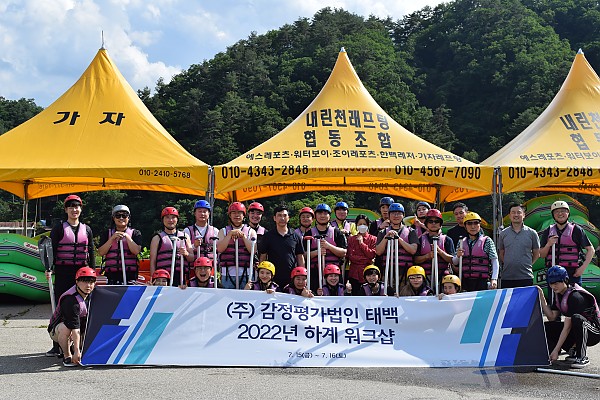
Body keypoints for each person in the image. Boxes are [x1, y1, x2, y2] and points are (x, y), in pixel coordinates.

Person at [46, 194, 95, 358]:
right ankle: (57, 345)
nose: (75, 210)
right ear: (66, 210)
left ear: (81, 209)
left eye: (77, 207)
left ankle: (80, 344)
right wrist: (48, 268)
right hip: (63, 273)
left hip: (81, 274)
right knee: (60, 308)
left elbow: (91, 252)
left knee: (82, 308)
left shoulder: (87, 229)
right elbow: (51, 250)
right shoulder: (59, 228)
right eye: (71, 207)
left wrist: (92, 273)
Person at [538, 265, 600, 369]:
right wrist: (541, 297)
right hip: (578, 329)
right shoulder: (559, 295)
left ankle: (582, 357)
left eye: (556, 283)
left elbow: (567, 327)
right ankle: (572, 351)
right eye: (551, 283)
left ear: (565, 280)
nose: (553, 286)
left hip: (594, 333)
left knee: (577, 319)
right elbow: (552, 317)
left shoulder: (575, 297)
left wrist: (556, 350)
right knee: (548, 326)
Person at [47, 266, 96, 367]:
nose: (88, 285)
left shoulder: (94, 294)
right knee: (66, 328)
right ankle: (67, 355)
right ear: (77, 282)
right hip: (59, 329)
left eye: (91, 282)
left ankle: (74, 347)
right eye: (84, 281)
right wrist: (77, 351)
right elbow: (75, 328)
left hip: (80, 328)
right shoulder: (70, 300)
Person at [539, 200, 594, 286]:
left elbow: (591, 250)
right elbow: (542, 255)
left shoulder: (576, 230)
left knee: (573, 294)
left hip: (572, 272)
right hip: (554, 272)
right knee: (554, 295)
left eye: (563, 211)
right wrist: (548, 244)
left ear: (568, 213)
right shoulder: (548, 231)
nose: (560, 214)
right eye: (557, 212)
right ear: (553, 215)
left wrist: (582, 269)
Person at [375, 203, 418, 292]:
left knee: (404, 294)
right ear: (389, 215)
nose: (396, 216)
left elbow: (413, 250)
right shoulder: (382, 232)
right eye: (393, 213)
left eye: (399, 213)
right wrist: (386, 237)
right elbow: (378, 251)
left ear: (403, 215)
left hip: (404, 271)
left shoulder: (411, 231)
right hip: (387, 270)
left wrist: (399, 239)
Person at [258, 205, 304, 288]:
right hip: (272, 279)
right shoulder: (268, 236)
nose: (282, 218)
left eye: (285, 215)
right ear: (274, 218)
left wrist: (302, 275)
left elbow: (300, 257)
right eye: (279, 215)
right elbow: (263, 256)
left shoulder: (295, 236)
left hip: (291, 279)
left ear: (288, 218)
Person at [452, 212, 499, 292]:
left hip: (482, 281)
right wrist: (458, 256)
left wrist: (494, 279)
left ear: (479, 225)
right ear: (465, 226)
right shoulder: (461, 241)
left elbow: (494, 260)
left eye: (476, 223)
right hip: (465, 281)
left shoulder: (487, 241)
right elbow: (455, 262)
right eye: (469, 224)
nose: (473, 226)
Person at [305, 203, 347, 292]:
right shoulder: (309, 233)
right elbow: (303, 255)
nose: (322, 216)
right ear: (315, 216)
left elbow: (343, 252)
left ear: (329, 216)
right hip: (315, 272)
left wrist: (329, 246)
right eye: (319, 213)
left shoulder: (336, 232)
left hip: (333, 273)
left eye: (325, 213)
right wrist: (317, 252)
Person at [498, 203, 540, 288]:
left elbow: (536, 253)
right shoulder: (503, 234)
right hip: (507, 277)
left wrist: (527, 264)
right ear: (509, 215)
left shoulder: (532, 233)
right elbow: (501, 253)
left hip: (526, 276)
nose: (516, 215)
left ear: (524, 215)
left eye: (519, 212)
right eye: (513, 212)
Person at [97, 205, 142, 285]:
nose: (121, 218)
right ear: (113, 218)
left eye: (124, 216)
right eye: (118, 216)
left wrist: (127, 237)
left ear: (128, 218)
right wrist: (112, 238)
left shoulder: (135, 233)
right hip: (111, 275)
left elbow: (136, 251)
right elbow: (101, 252)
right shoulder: (106, 233)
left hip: (130, 275)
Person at [149, 206, 194, 287]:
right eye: (167, 217)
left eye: (173, 217)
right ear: (163, 220)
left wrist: (186, 253)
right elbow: (153, 262)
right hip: (163, 277)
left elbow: (192, 258)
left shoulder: (185, 236)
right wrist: (153, 279)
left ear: (177, 219)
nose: (170, 220)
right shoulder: (157, 238)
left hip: (181, 276)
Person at [217, 202, 257, 289]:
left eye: (239, 213)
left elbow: (253, 251)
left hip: (246, 273)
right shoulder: (223, 231)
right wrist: (229, 234)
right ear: (230, 215)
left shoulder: (251, 231)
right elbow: (220, 249)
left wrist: (244, 237)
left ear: (243, 215)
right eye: (234, 213)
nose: (237, 215)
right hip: (227, 274)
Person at [414, 209, 455, 289]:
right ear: (426, 224)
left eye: (436, 221)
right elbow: (415, 259)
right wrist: (427, 256)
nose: (433, 224)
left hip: (443, 276)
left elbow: (452, 260)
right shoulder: (420, 239)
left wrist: (439, 251)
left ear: (440, 224)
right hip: (425, 276)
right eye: (430, 221)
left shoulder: (447, 240)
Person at [346, 214, 377, 295]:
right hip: (354, 274)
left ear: (368, 225)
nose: (362, 226)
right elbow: (351, 257)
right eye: (360, 224)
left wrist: (362, 243)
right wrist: (367, 259)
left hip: (369, 274)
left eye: (364, 224)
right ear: (356, 225)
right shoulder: (351, 239)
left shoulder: (373, 239)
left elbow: (372, 255)